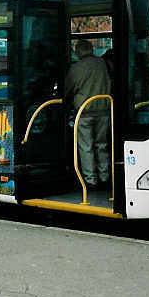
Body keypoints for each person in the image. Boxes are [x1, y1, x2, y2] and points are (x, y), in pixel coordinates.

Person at [64, 39, 111, 189]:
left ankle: (90, 180)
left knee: (86, 146)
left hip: (84, 111)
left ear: (78, 51)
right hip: (104, 108)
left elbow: (69, 89)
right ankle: (105, 177)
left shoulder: (76, 68)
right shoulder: (101, 64)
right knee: (102, 145)